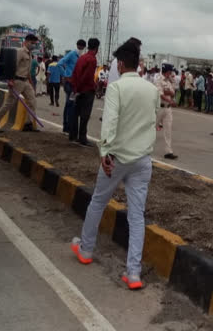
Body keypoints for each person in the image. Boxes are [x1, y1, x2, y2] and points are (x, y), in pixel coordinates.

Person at [70, 40, 159, 290]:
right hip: (142, 161)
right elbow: (153, 120)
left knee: (98, 201)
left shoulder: (116, 88)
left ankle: (86, 249)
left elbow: (109, 123)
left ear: (120, 64)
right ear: (138, 64)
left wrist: (104, 152)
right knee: (136, 216)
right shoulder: (151, 90)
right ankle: (133, 273)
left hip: (116, 158)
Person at [0, 34, 39, 133]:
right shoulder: (20, 52)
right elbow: (12, 66)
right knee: (9, 103)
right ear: (26, 42)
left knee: (32, 101)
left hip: (25, 81)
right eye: (32, 43)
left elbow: (28, 71)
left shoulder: (30, 54)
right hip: (17, 81)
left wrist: (32, 84)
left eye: (35, 43)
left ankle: (28, 124)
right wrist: (10, 80)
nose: (33, 45)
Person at [69, 38, 100, 146]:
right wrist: (93, 86)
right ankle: (82, 138)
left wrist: (76, 88)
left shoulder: (82, 57)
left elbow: (75, 73)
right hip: (86, 90)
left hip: (77, 88)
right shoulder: (92, 59)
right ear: (97, 48)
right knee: (85, 115)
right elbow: (87, 76)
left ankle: (72, 135)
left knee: (75, 113)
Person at [59, 40, 86, 134]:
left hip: (75, 83)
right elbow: (60, 63)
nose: (81, 49)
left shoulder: (81, 56)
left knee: (72, 104)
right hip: (69, 82)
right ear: (77, 46)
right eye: (79, 47)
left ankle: (69, 126)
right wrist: (65, 75)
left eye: (82, 48)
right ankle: (66, 127)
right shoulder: (71, 54)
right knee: (69, 104)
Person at [156, 64, 178, 159]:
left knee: (168, 130)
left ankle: (168, 151)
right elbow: (160, 94)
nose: (171, 73)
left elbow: (172, 93)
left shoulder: (169, 81)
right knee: (151, 128)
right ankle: (143, 148)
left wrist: (169, 93)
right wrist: (170, 98)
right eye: (170, 71)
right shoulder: (158, 80)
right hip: (159, 108)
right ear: (167, 71)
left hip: (168, 109)